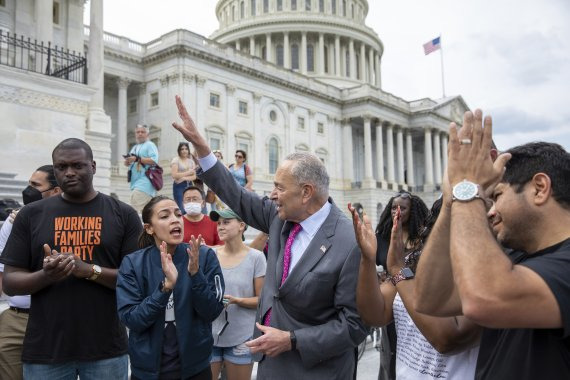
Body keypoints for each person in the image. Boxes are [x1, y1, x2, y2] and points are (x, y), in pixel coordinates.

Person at [172, 95, 367, 379]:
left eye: (279, 187)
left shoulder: (350, 241)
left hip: (318, 370)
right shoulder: (278, 217)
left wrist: (292, 339)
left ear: (306, 192)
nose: (272, 194)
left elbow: (355, 325)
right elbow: (237, 196)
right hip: (271, 366)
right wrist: (202, 148)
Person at [414, 110, 570, 379]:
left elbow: (482, 300)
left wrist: (468, 189)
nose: (490, 210)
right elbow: (430, 299)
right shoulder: (517, 258)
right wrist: (451, 203)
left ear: (539, 188)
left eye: (497, 195)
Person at [0, 138, 142, 379]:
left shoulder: (123, 214)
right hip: (46, 350)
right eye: (61, 167)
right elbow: (11, 283)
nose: (69, 173)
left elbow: (138, 280)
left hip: (105, 349)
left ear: (93, 166)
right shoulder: (30, 216)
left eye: (78, 165)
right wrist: (46, 276)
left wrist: (89, 270)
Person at [350, 198, 480, 379]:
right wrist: (367, 259)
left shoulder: (482, 272)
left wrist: (397, 271)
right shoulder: (415, 263)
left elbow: (448, 340)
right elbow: (375, 314)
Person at [116, 196, 225, 380]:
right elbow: (132, 319)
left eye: (177, 214)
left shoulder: (204, 256)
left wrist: (195, 274)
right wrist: (164, 289)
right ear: (149, 228)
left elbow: (212, 311)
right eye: (164, 216)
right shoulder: (133, 263)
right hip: (147, 371)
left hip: (195, 369)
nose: (175, 219)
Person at [0, 165, 62, 380]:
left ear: (55, 191)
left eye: (35, 186)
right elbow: (2, 276)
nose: (28, 191)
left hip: (56, 318)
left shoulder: (68, 222)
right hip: (16, 319)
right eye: (28, 184)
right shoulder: (12, 223)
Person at [374, 191, 428, 380]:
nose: (396, 211)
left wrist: (395, 276)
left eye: (402, 208)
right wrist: (378, 277)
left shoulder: (422, 239)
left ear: (412, 211)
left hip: (413, 304)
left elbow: (413, 271)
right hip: (390, 306)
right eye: (393, 208)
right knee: (390, 358)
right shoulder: (381, 237)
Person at [209, 208, 266, 380]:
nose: (220, 227)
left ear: (242, 226)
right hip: (210, 334)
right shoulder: (210, 254)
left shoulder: (256, 257)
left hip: (242, 336)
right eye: (218, 223)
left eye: (226, 222)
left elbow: (261, 300)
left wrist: (236, 300)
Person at [125, 124, 159, 214]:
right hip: (135, 183)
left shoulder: (150, 145)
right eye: (138, 132)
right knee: (143, 211)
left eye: (142, 132)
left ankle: (139, 228)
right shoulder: (135, 147)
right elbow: (131, 161)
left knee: (136, 210)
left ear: (147, 134)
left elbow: (154, 160)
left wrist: (137, 159)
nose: (140, 134)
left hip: (145, 182)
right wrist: (127, 162)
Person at [171, 142, 197, 214]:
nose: (184, 150)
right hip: (179, 186)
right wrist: (188, 173)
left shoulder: (191, 162)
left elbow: (194, 177)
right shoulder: (176, 160)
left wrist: (184, 178)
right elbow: (174, 175)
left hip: (189, 185)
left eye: (186, 149)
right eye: (182, 149)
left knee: (190, 208)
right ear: (179, 150)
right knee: (181, 209)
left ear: (188, 150)